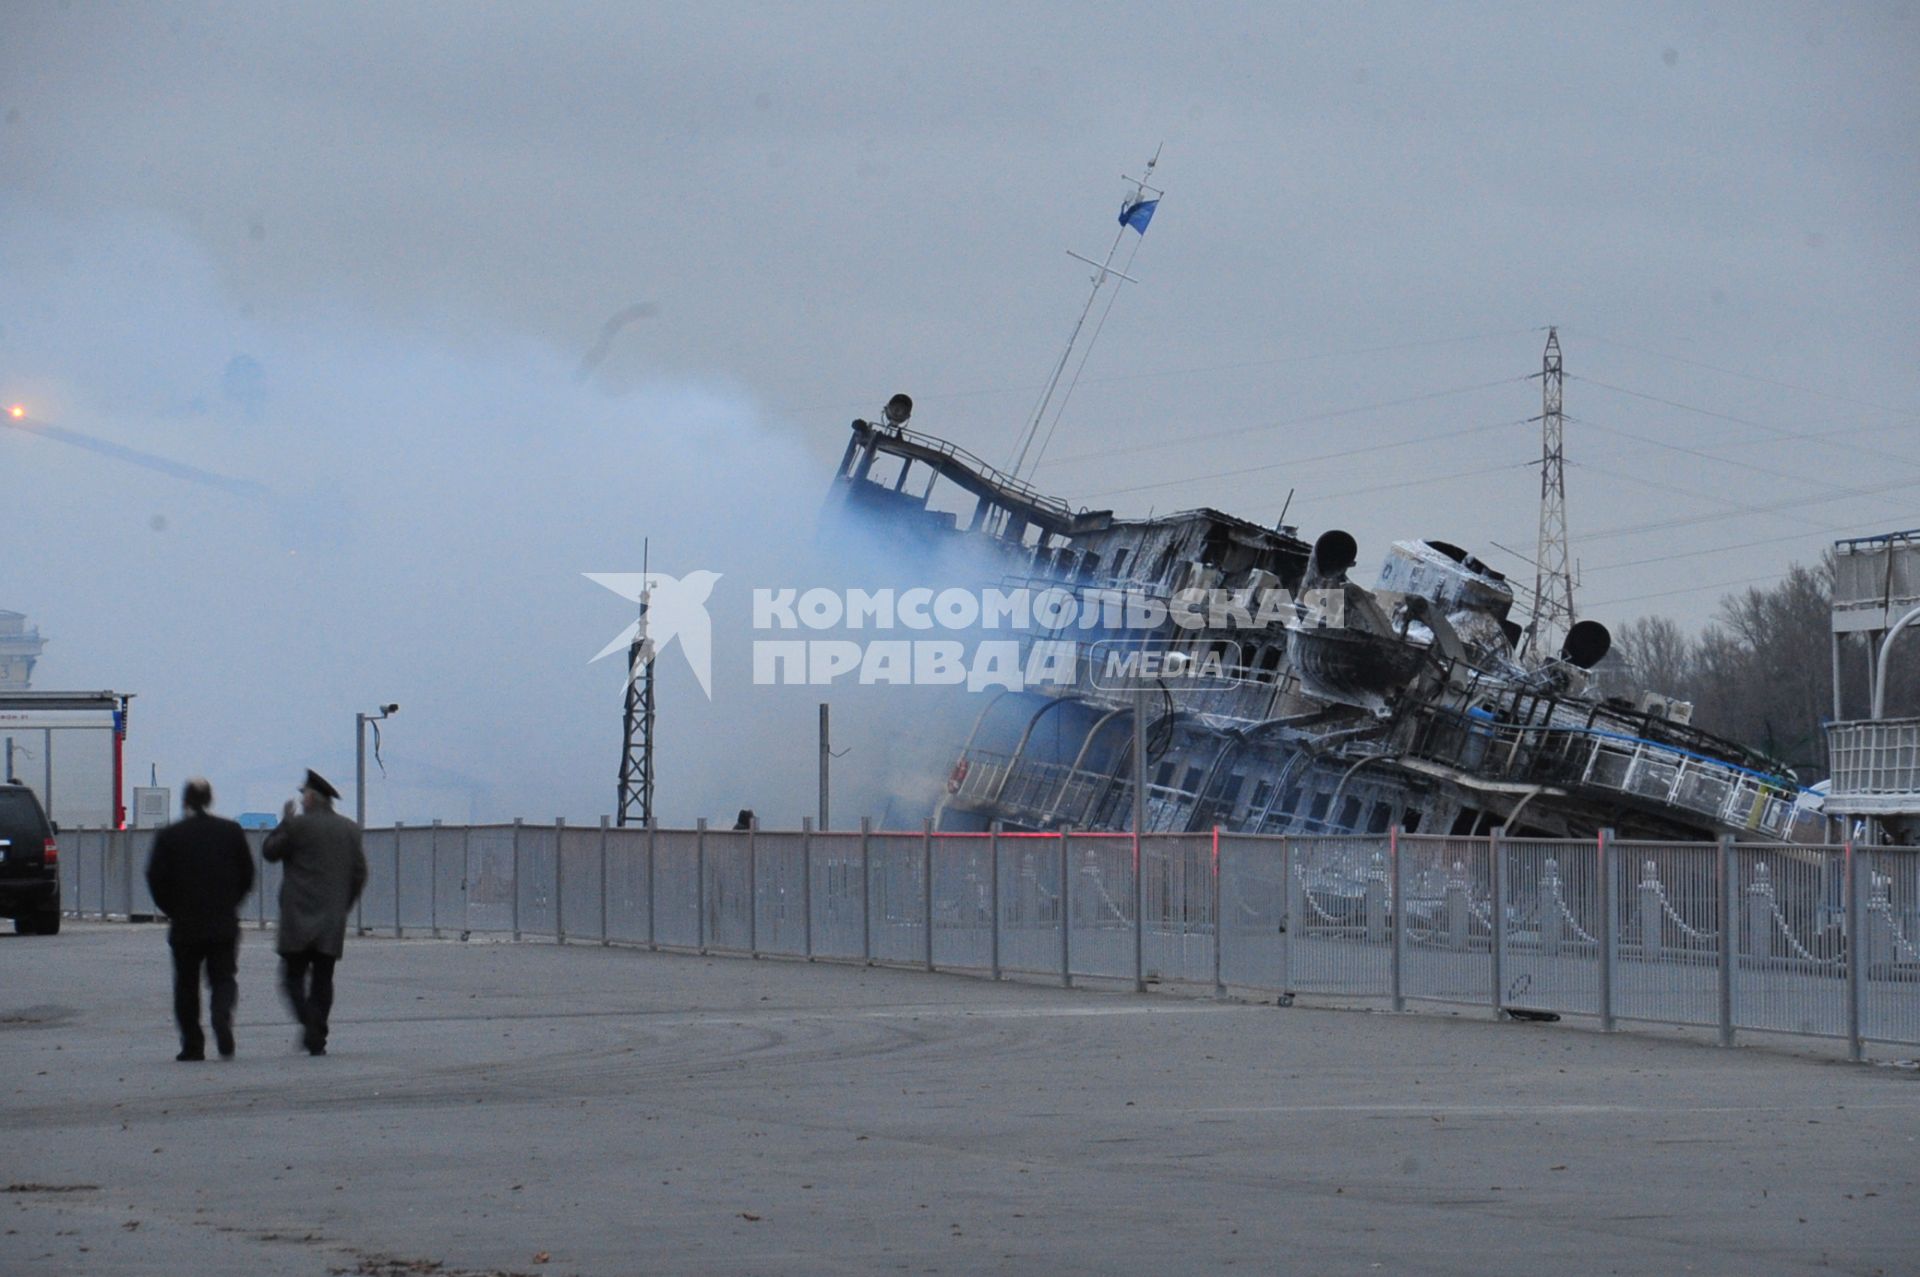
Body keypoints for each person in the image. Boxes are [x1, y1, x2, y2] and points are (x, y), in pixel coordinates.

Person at [145, 777, 256, 1061]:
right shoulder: (230, 832)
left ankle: (193, 1044)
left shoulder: (170, 836)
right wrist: (231, 903)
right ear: (209, 800)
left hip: (186, 924)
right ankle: (221, 1015)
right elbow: (247, 875)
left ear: (185, 802)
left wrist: (172, 909)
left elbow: (155, 878)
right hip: (222, 922)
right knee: (223, 977)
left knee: (186, 984)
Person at [262, 769, 367, 1056]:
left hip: (297, 917)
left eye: (302, 795)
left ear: (310, 798)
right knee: (323, 978)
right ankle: (317, 1031)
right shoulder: (350, 829)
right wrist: (343, 904)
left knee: (292, 977)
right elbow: (359, 873)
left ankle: (311, 1026)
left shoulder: (297, 827)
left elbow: (270, 852)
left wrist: (284, 823)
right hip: (331, 918)